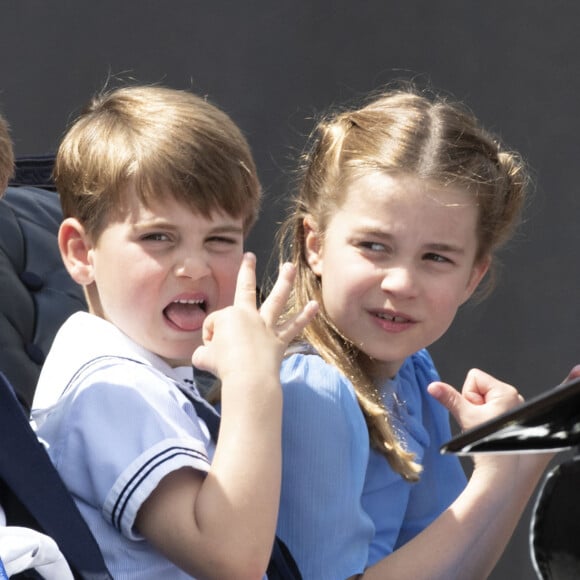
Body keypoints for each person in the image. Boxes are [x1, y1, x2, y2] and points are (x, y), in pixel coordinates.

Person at [274, 87, 562, 579]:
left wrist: (523, 456)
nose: (402, 283)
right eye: (374, 246)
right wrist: (493, 481)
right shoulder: (310, 389)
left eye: (436, 257)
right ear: (315, 245)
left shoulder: (412, 373)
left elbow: (453, 567)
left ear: (472, 275)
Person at [30, 85, 317, 579]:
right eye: (157, 238)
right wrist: (253, 384)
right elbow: (232, 561)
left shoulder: (143, 372)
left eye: (219, 239)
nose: (193, 267)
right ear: (81, 252)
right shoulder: (110, 390)